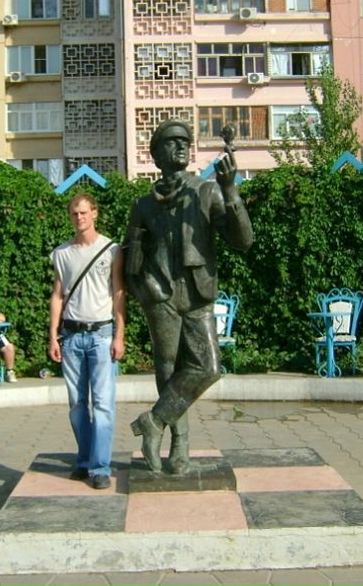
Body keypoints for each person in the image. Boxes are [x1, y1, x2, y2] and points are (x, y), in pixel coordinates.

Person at [124, 120, 253, 474]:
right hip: (160, 294)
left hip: (198, 292)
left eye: (185, 141)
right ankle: (179, 446)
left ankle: (153, 421)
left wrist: (231, 191)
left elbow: (243, 241)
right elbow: (130, 258)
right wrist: (145, 293)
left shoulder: (206, 192)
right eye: (171, 142)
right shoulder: (143, 204)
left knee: (208, 367)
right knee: (167, 367)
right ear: (156, 155)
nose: (181, 146)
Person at [48, 193, 126, 490]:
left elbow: (119, 292)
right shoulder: (62, 253)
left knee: (103, 404)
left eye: (83, 212)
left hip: (101, 334)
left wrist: (119, 335)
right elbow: (58, 295)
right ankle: (84, 460)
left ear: (94, 213)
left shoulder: (111, 249)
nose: (79, 217)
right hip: (71, 336)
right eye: (74, 213)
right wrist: (53, 335)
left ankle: (100, 467)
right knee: (78, 405)